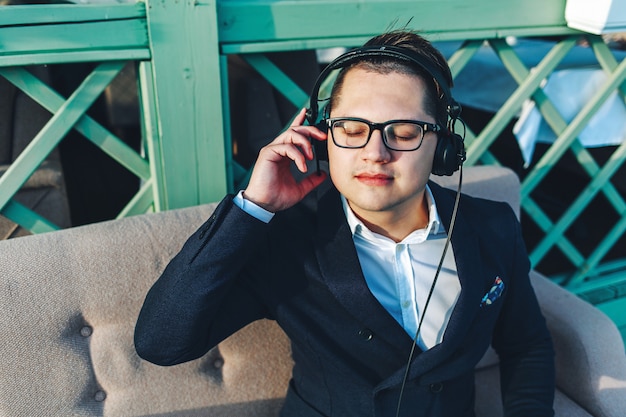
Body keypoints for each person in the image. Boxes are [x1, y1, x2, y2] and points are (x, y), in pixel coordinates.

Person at [134, 30, 555, 417]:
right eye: (351, 130)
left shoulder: (493, 226)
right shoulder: (284, 240)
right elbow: (161, 343)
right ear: (323, 138)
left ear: (443, 146)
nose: (375, 152)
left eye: (404, 131)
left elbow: (526, 345)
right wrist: (252, 206)